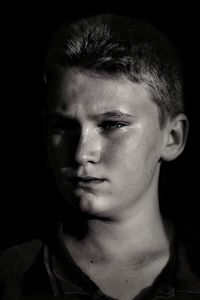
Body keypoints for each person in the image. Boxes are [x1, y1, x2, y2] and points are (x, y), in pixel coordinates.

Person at [0, 13, 199, 300]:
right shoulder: (10, 276)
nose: (82, 153)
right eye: (64, 126)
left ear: (173, 138)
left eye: (111, 125)